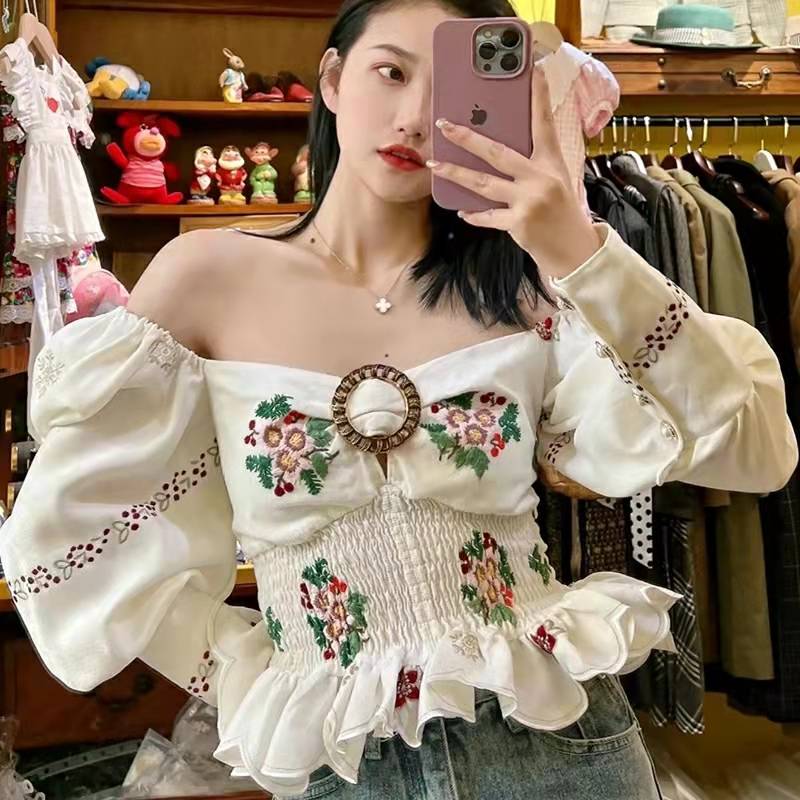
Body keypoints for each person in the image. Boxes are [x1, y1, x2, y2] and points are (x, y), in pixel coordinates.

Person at [1, 1, 797, 798]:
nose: (415, 117)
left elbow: (747, 439)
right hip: (342, 760)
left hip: (559, 746)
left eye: (449, 87)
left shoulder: (529, 287)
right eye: (390, 72)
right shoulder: (206, 275)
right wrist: (237, 662)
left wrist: (582, 250)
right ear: (333, 80)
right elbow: (67, 538)